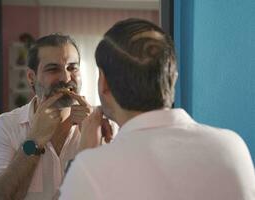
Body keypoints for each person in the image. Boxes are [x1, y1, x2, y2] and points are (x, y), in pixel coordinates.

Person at [59, 18, 255, 200]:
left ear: (103, 83)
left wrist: (85, 155)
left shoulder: (89, 169)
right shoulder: (232, 147)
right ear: (173, 78)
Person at [0, 34, 111, 200]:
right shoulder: (5, 126)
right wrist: (34, 141)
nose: (66, 78)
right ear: (31, 78)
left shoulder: (102, 124)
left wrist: (95, 145)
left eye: (72, 68)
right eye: (53, 69)